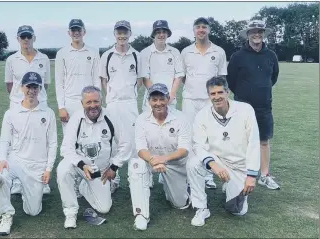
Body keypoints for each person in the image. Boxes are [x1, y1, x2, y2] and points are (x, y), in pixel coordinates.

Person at [187, 76, 260, 227]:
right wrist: (213, 164)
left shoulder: (245, 110)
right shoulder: (202, 115)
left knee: (237, 210)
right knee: (193, 163)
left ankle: (231, 186)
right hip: (218, 161)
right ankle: (201, 208)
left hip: (240, 166)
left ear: (227, 92)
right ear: (208, 96)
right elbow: (198, 145)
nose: (217, 97)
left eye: (220, 92)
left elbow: (254, 144)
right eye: (213, 94)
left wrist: (251, 176)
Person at [0, 72, 58, 235]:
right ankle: (6, 215)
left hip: (37, 165)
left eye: (35, 87)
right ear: (22, 88)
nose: (31, 90)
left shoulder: (48, 113)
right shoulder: (11, 113)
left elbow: (53, 143)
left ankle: (24, 188)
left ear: (40, 89)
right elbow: (4, 141)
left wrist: (48, 168)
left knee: (33, 211)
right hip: (16, 161)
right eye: (28, 86)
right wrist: (2, 160)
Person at [56, 86, 131, 229]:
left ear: (101, 100)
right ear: (82, 103)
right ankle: (70, 213)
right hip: (80, 167)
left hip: (101, 170)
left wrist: (114, 167)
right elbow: (66, 148)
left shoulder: (111, 116)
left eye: (96, 101)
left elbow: (126, 143)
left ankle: (84, 186)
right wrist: (81, 165)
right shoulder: (76, 118)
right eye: (88, 102)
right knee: (63, 169)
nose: (93, 106)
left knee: (104, 209)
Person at [129, 83, 192, 231]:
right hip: (151, 160)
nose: (158, 103)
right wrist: (153, 160)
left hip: (175, 164)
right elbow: (141, 149)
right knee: (136, 165)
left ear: (168, 99)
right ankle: (141, 215)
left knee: (179, 204)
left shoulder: (181, 118)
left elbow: (184, 150)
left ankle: (173, 183)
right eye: (154, 99)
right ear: (149, 101)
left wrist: (163, 159)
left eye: (161, 99)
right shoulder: (141, 119)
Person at [227, 20, 280, 190]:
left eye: (260, 31)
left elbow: (273, 78)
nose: (256, 34)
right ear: (247, 35)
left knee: (263, 141)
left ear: (264, 34)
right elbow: (231, 81)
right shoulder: (237, 56)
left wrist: (260, 90)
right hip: (242, 106)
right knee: (242, 140)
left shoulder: (271, 55)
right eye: (253, 32)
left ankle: (264, 175)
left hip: (264, 105)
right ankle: (242, 173)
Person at [4, 25, 52, 194]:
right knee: (16, 140)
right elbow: (10, 85)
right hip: (18, 104)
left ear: (34, 38)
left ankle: (42, 178)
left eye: (28, 36)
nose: (26, 40)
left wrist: (35, 98)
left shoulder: (43, 58)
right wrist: (22, 99)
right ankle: (17, 179)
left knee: (41, 138)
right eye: (22, 37)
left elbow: (45, 84)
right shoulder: (11, 59)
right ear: (18, 39)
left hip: (40, 102)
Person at [181, 17, 227, 189]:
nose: (201, 30)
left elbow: (222, 78)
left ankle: (208, 174)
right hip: (190, 100)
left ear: (209, 30)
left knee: (210, 136)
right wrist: (194, 89)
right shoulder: (185, 51)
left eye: (204, 27)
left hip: (210, 101)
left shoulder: (219, 51)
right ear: (194, 30)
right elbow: (183, 76)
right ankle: (191, 172)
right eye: (198, 27)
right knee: (191, 136)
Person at [99, 20, 142, 192]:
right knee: (114, 141)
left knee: (132, 140)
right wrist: (111, 96)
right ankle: (114, 178)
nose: (122, 36)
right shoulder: (107, 55)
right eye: (119, 32)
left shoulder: (136, 55)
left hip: (130, 103)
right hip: (113, 104)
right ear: (114, 34)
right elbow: (103, 80)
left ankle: (135, 177)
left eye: (125, 32)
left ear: (130, 34)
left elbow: (139, 80)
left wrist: (128, 93)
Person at [55, 19, 101, 131]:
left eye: (78, 30)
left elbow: (96, 79)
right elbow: (59, 82)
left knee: (90, 136)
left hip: (89, 101)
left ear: (84, 32)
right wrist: (61, 107)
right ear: (69, 32)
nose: (76, 33)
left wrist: (96, 101)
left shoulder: (93, 52)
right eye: (73, 30)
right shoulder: (62, 53)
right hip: (70, 102)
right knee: (70, 138)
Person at [140, 20, 184, 112]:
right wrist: (158, 98)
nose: (161, 34)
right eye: (158, 32)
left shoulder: (175, 52)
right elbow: (145, 78)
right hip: (151, 101)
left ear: (168, 34)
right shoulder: (145, 53)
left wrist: (170, 96)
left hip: (170, 101)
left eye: (164, 32)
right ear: (153, 34)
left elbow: (178, 76)